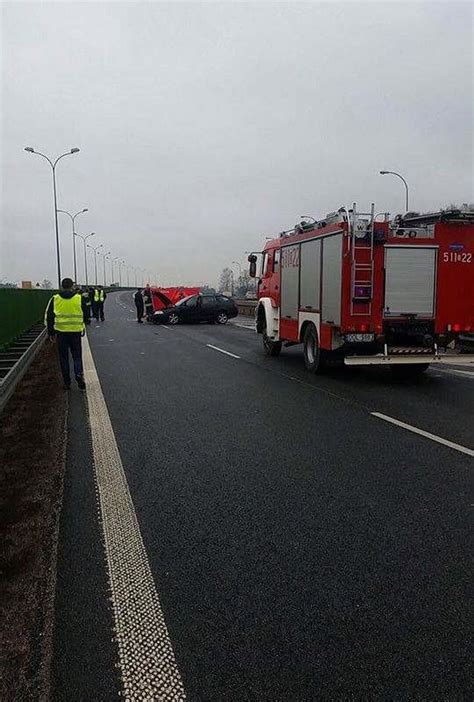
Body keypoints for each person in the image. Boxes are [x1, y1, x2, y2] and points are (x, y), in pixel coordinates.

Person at [44, 277, 87, 390]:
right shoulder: (79, 298)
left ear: (62, 286)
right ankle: (78, 373)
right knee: (77, 356)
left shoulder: (55, 299)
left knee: (63, 358)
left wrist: (51, 333)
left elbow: (49, 317)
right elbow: (85, 312)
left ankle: (67, 382)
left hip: (61, 333)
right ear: (72, 286)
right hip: (75, 332)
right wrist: (84, 325)